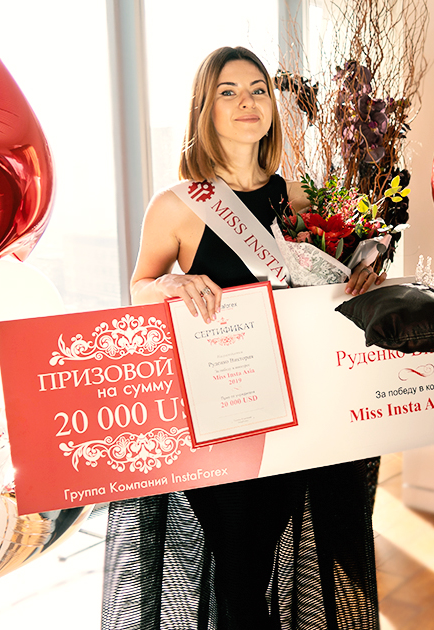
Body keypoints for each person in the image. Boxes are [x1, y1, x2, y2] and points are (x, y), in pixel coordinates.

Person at [101, 46, 383, 630]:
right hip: (220, 417)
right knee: (239, 570)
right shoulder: (176, 206)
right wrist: (173, 285)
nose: (247, 102)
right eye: (228, 92)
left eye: (257, 90)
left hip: (292, 411)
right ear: (204, 108)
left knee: (258, 566)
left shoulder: (299, 200)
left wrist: (362, 274)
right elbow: (138, 289)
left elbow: (329, 285)